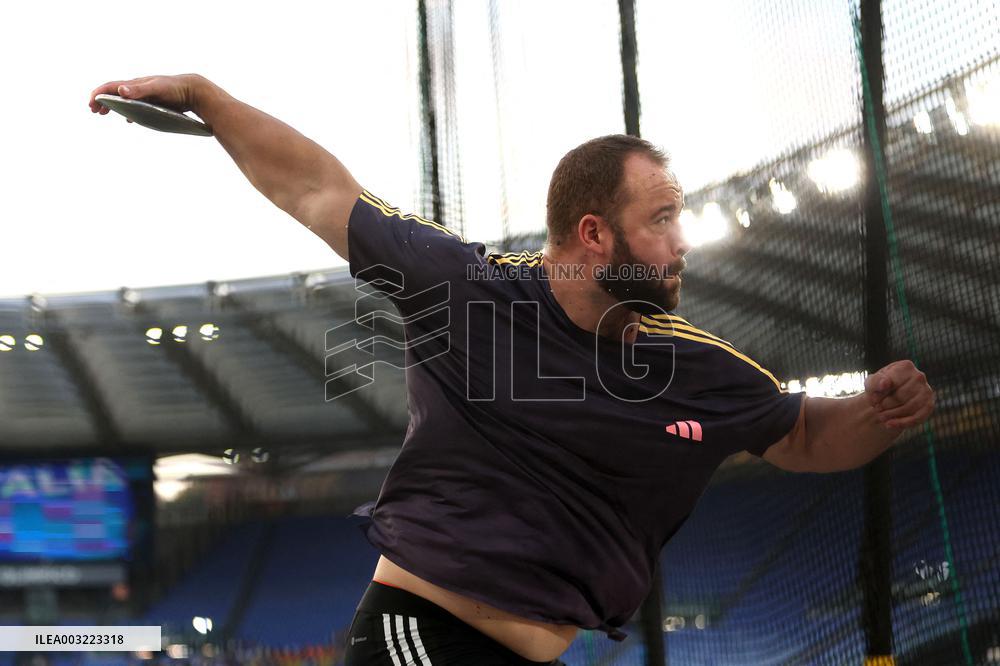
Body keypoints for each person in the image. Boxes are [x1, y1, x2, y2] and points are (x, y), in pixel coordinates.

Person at [89, 74, 935, 665]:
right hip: (413, 635)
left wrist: (878, 412)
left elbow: (804, 435)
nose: (681, 242)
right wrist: (205, 95)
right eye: (662, 219)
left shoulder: (697, 366)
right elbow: (315, 189)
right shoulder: (464, 288)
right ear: (594, 233)